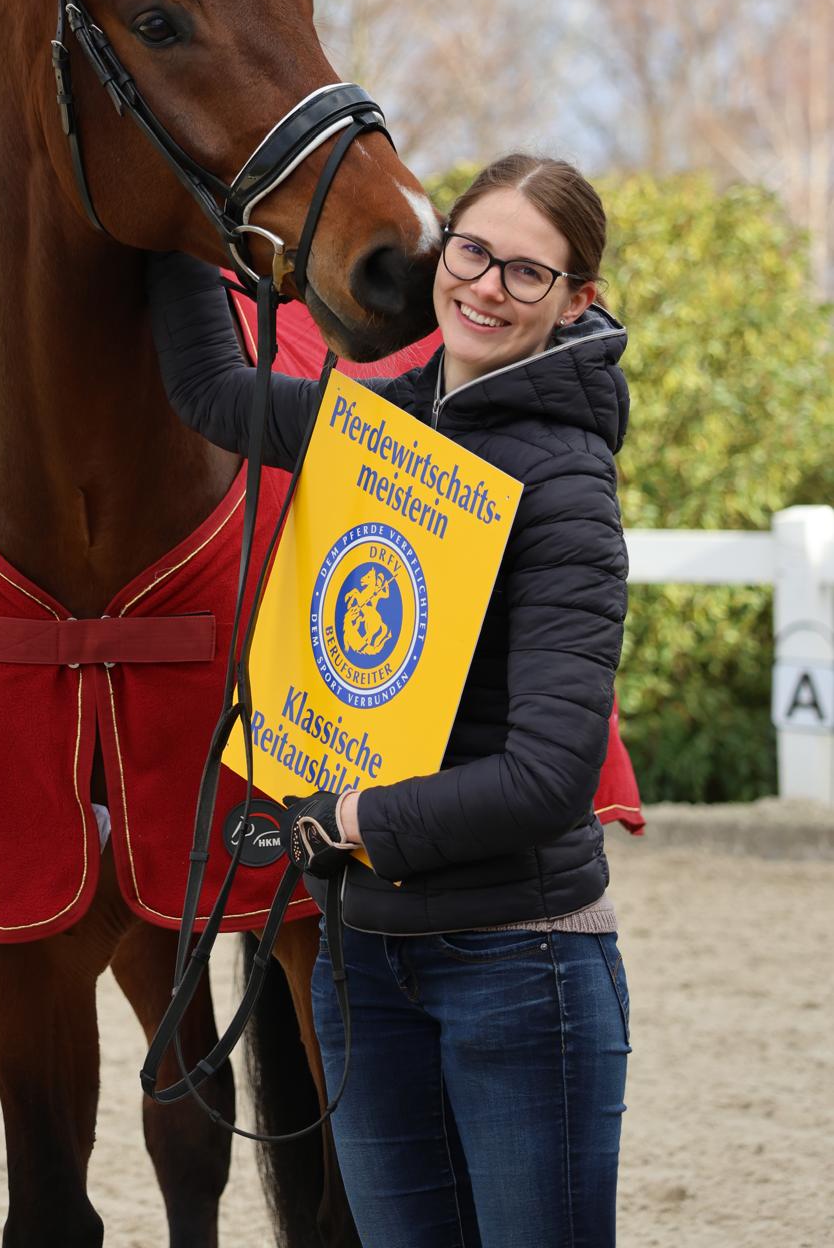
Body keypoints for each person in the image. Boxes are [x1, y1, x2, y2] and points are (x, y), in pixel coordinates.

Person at [147, 154, 631, 1248]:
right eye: (473, 251)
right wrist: (168, 212)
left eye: (526, 270)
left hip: (521, 964)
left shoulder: (565, 490)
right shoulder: (380, 430)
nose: (487, 286)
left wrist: (357, 819)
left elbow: (551, 774)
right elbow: (212, 395)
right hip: (366, 962)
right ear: (441, 252)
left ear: (575, 301)